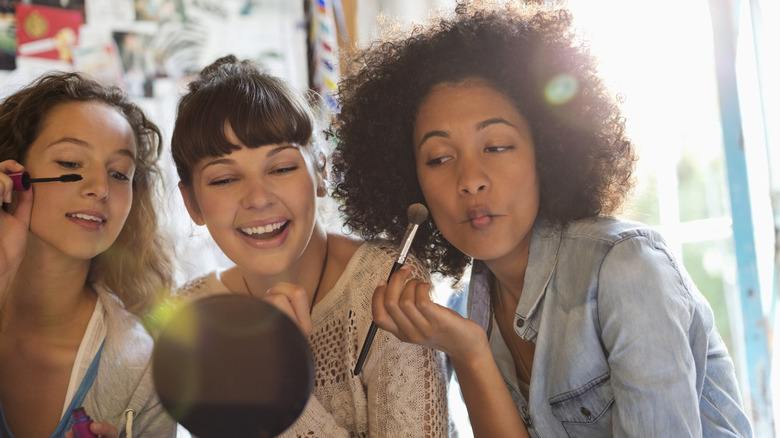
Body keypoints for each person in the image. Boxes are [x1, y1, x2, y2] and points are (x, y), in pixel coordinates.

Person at [329, 2, 753, 437]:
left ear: (546, 153)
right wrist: (470, 352)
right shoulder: (466, 316)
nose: (470, 180)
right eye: (439, 158)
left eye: (496, 147)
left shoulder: (627, 269)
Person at [170, 54, 451, 437]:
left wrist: (282, 391)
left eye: (282, 168)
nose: (258, 198)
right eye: (223, 180)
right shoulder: (190, 314)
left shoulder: (383, 284)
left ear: (321, 172)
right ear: (192, 203)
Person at [0, 71, 176, 438]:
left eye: (119, 174)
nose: (99, 188)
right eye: (69, 163)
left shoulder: (147, 369)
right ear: (12, 172)